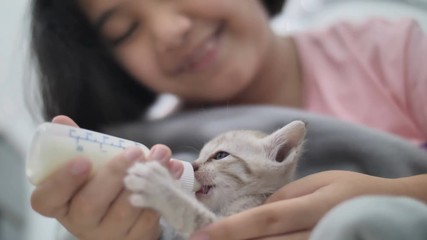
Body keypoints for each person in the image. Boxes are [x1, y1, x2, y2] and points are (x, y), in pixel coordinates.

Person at [29, 0, 427, 239]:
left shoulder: (390, 53)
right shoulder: (154, 153)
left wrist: (402, 196)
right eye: (125, 29)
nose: (171, 31)